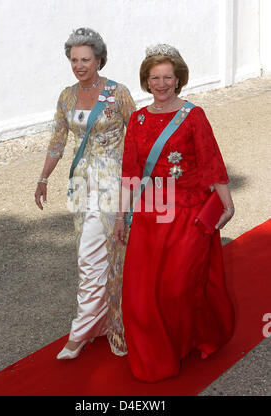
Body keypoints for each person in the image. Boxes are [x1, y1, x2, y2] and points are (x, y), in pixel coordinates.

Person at [114, 44, 235, 382]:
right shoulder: (137, 120)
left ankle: (189, 338)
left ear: (179, 78)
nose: (162, 83)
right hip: (150, 217)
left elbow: (211, 160)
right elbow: (130, 172)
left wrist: (226, 203)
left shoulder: (193, 116)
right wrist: (121, 217)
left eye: (168, 76)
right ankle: (156, 356)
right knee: (141, 296)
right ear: (146, 80)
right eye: (155, 77)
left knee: (177, 289)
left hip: (187, 214)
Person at [34, 27, 136, 359]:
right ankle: (105, 325)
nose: (79, 65)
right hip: (81, 181)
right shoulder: (66, 96)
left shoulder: (118, 93)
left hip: (112, 180)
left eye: (86, 59)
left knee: (97, 255)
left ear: (99, 59)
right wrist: (44, 178)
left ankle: (83, 333)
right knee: (91, 253)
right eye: (74, 60)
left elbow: (137, 137)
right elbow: (58, 141)